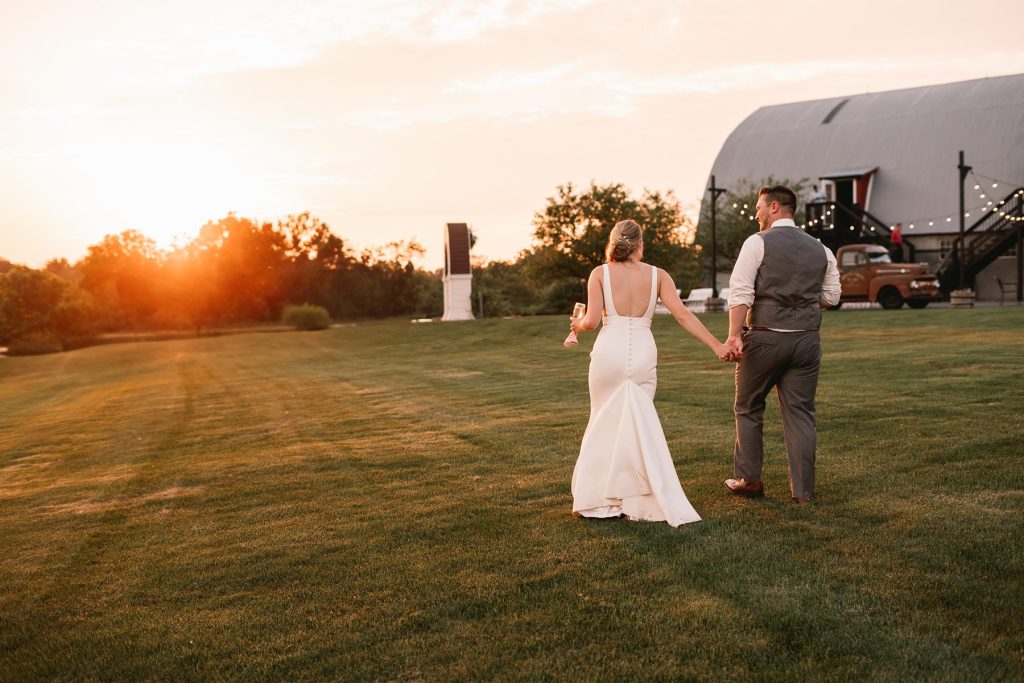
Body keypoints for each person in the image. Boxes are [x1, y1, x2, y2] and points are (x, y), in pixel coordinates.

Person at [569, 219, 735, 526]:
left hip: (609, 352)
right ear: (640, 244)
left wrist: (576, 325)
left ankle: (598, 502)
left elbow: (590, 322)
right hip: (643, 351)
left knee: (603, 419)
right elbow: (683, 315)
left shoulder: (599, 274)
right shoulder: (659, 275)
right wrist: (716, 345)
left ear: (614, 243)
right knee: (639, 423)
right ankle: (640, 501)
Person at [723, 185, 841, 504]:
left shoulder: (758, 242)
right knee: (801, 413)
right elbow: (832, 296)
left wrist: (735, 334)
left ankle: (749, 480)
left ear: (775, 207)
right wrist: (800, 304)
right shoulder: (821, 249)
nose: (757, 213)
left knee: (748, 406)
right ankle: (803, 493)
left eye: (760, 207)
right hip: (806, 342)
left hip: (764, 338)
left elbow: (741, 292)